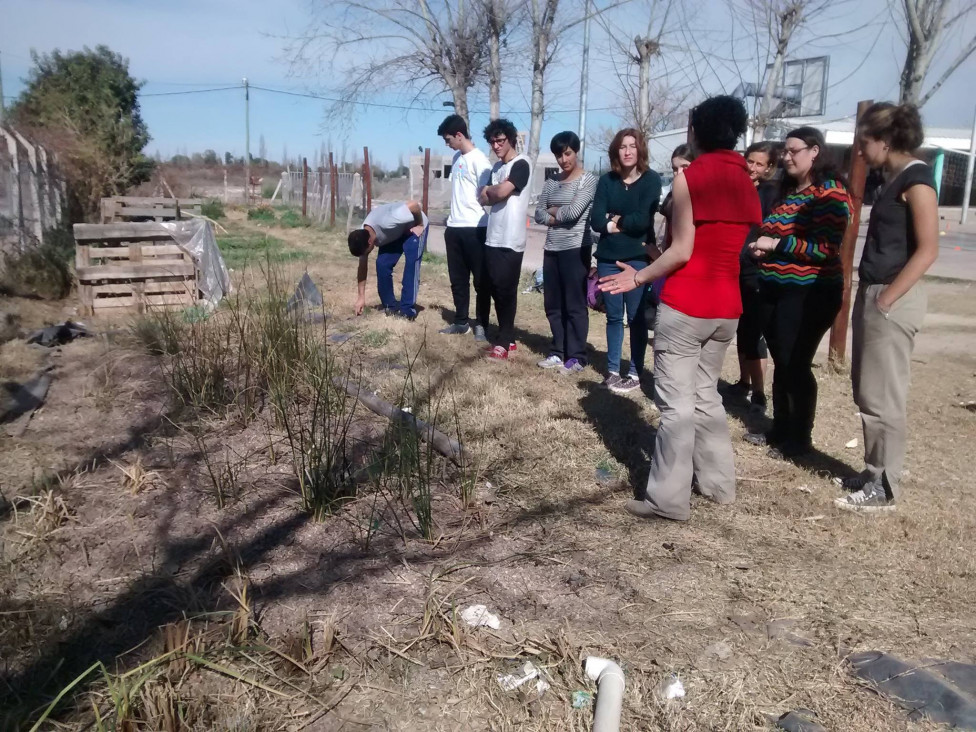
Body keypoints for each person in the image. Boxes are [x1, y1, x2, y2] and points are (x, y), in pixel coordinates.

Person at [599, 95, 761, 521]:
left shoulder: (693, 177)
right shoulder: (745, 179)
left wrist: (638, 275)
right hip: (727, 309)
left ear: (695, 131)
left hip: (688, 305)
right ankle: (718, 485)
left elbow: (683, 251)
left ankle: (667, 500)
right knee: (707, 395)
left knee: (676, 407)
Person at [834, 102, 938, 513]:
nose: (861, 151)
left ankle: (884, 487)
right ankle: (874, 470)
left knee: (883, 396)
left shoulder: (918, 180)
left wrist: (889, 297)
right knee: (867, 389)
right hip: (877, 292)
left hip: (893, 298)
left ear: (886, 140)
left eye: (865, 142)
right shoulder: (894, 179)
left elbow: (928, 249)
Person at [745, 127, 851, 458]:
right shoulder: (789, 191)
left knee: (796, 363)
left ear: (815, 151)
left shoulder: (830, 193)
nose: (787, 157)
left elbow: (825, 248)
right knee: (781, 359)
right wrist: (760, 249)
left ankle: (799, 437)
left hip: (809, 292)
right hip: (775, 287)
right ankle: (779, 429)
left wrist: (775, 244)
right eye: (785, 152)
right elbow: (771, 232)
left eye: (794, 151)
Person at [590, 129, 662, 392]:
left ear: (640, 150)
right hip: (608, 257)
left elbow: (643, 221)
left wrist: (616, 218)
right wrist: (615, 223)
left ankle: (634, 372)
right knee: (612, 317)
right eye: (623, 147)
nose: (628, 151)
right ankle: (611, 370)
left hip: (638, 259)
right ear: (615, 151)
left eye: (633, 146)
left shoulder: (651, 180)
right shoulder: (606, 181)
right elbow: (596, 220)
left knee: (636, 318)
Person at [534, 131, 598, 374]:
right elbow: (539, 214)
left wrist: (554, 211)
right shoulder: (551, 182)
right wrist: (558, 213)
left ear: (576, 151)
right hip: (552, 249)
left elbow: (575, 214)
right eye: (559, 155)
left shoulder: (588, 181)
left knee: (574, 305)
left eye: (567, 153)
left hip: (575, 249)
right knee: (553, 304)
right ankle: (557, 351)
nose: (563, 159)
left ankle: (577, 356)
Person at [728, 140, 780, 414]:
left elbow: (773, 229)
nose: (753, 167)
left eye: (760, 163)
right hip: (732, 266)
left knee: (754, 333)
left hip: (756, 269)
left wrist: (760, 250)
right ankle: (743, 381)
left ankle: (760, 392)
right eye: (750, 161)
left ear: (769, 167)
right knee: (740, 330)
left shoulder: (771, 193)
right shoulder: (735, 189)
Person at [479, 118, 532, 361]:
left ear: (510, 139)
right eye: (492, 142)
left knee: (506, 289)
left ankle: (503, 341)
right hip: (493, 237)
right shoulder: (495, 168)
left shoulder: (522, 164)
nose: (496, 146)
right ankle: (507, 337)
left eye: (500, 141)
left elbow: (497, 193)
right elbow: (482, 197)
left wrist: (494, 191)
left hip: (511, 238)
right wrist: (493, 192)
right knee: (493, 288)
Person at [436, 114, 493, 341]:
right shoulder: (457, 158)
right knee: (458, 279)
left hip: (475, 228)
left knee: (481, 281)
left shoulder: (481, 161)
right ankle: (461, 322)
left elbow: (486, 195)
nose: (447, 144)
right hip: (454, 228)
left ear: (459, 135)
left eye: (449, 139)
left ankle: (481, 324)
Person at [348, 200, 429, 319]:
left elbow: (414, 205)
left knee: (411, 263)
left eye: (365, 253)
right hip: (395, 233)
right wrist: (361, 297)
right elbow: (362, 268)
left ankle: (407, 311)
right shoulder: (362, 236)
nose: (365, 256)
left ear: (370, 242)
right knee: (382, 264)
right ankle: (389, 306)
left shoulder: (391, 219)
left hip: (415, 224)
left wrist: (420, 224)